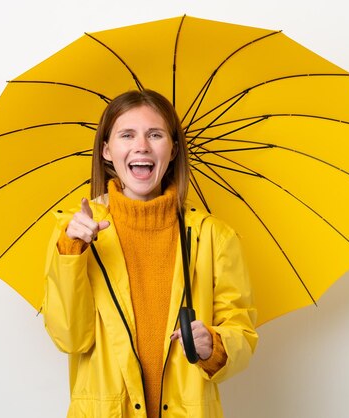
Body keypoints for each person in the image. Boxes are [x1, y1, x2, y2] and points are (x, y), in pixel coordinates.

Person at [42, 89, 258, 417]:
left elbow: (241, 331)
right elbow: (71, 339)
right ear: (106, 151)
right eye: (127, 134)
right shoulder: (74, 233)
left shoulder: (215, 236)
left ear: (172, 150)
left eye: (155, 134)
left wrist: (215, 346)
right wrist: (72, 252)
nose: (141, 145)